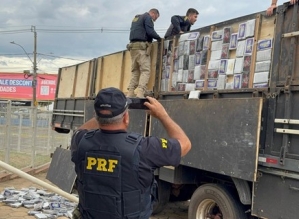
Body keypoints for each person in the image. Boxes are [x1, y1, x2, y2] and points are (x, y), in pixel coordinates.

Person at [70, 87, 191, 219]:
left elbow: (79, 131)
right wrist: (163, 115)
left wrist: (102, 116)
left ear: (96, 115)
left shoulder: (81, 142)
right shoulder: (144, 148)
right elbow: (185, 145)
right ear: (126, 117)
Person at [127, 9, 162, 98]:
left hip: (132, 47)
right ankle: (140, 92)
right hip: (141, 48)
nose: (155, 20)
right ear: (153, 13)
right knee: (145, 70)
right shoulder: (147, 17)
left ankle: (130, 92)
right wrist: (159, 38)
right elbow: (150, 32)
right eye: (156, 18)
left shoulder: (137, 17)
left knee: (135, 71)